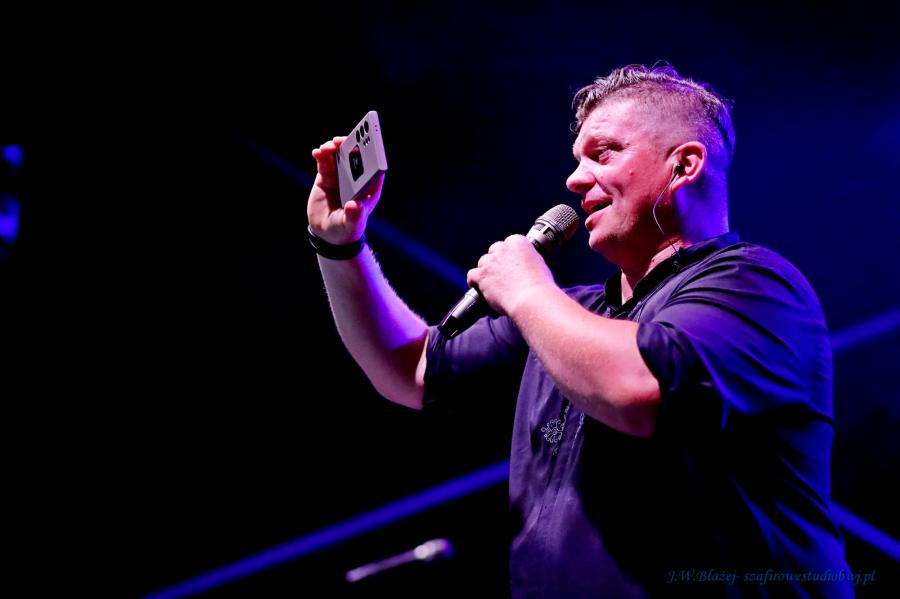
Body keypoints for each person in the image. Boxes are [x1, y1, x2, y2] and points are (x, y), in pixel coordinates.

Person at [306, 64, 853, 598]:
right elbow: (410, 368)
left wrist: (524, 290)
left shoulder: (755, 285)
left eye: (604, 152)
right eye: (577, 159)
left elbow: (634, 389)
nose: (573, 180)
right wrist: (338, 246)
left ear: (684, 165)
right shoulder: (569, 313)